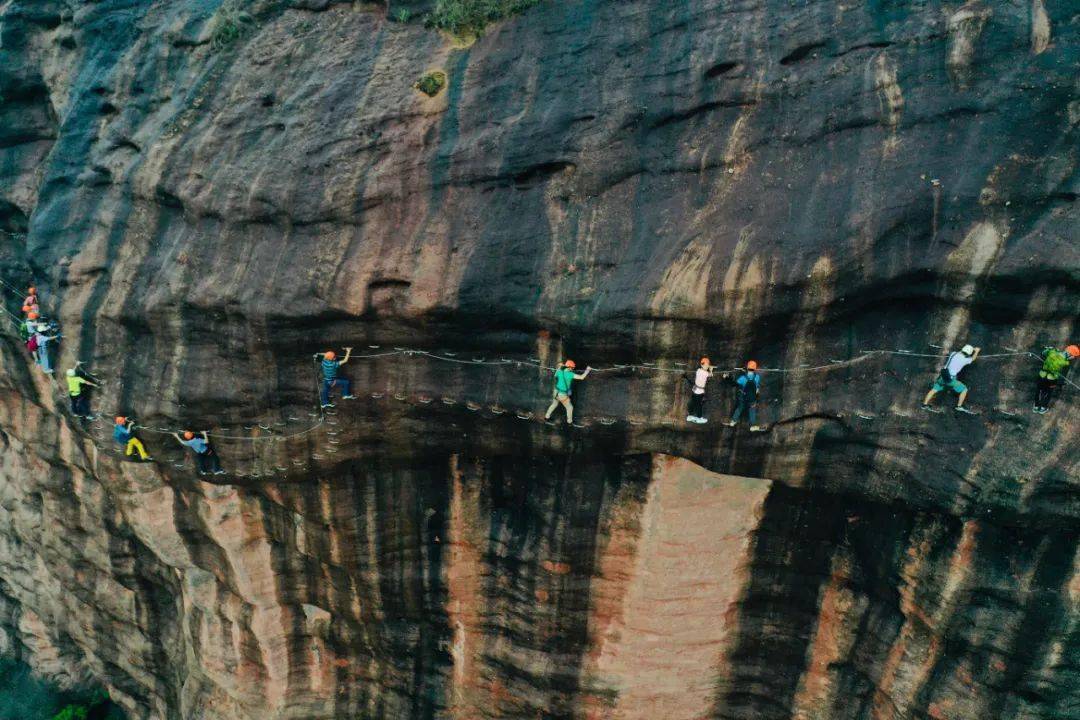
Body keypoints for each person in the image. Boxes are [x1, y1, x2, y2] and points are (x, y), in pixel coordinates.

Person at [922, 344, 980, 413]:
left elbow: (958, 352)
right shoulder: (965, 360)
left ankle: (924, 405)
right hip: (950, 379)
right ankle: (959, 406)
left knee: (934, 389)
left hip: (943, 375)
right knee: (964, 389)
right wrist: (976, 351)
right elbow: (973, 358)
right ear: (968, 353)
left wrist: (971, 349)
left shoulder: (953, 353)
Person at [544, 359, 592, 425]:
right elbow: (581, 377)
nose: (573, 369)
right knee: (570, 407)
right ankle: (570, 422)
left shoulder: (559, 371)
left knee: (554, 404)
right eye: (572, 368)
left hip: (556, 391)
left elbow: (555, 376)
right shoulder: (570, 374)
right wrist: (587, 370)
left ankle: (546, 418)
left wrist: (559, 367)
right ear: (569, 367)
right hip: (562, 394)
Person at [1034, 344, 1078, 414]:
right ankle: (1043, 408)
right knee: (1048, 393)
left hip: (1042, 375)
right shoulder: (1065, 362)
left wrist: (1050, 349)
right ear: (1070, 354)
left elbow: (1044, 353)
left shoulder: (1053, 352)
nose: (1073, 358)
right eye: (1073, 356)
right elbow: (1063, 360)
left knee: (1039, 390)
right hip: (1051, 379)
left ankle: (1036, 406)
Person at [724, 360, 764, 431]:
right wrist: (756, 397)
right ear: (755, 369)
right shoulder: (757, 377)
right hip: (752, 398)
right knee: (752, 410)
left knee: (740, 408)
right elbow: (757, 389)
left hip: (743, 398)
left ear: (747, 367)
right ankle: (753, 426)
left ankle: (733, 421)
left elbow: (734, 384)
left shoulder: (742, 378)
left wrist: (727, 377)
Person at [687, 357, 720, 424]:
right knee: (699, 405)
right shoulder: (705, 373)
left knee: (693, 403)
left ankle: (690, 416)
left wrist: (708, 368)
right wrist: (711, 369)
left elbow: (704, 371)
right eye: (706, 365)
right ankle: (699, 418)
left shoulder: (698, 370)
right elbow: (710, 375)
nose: (707, 366)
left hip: (695, 390)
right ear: (702, 365)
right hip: (699, 392)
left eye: (707, 365)